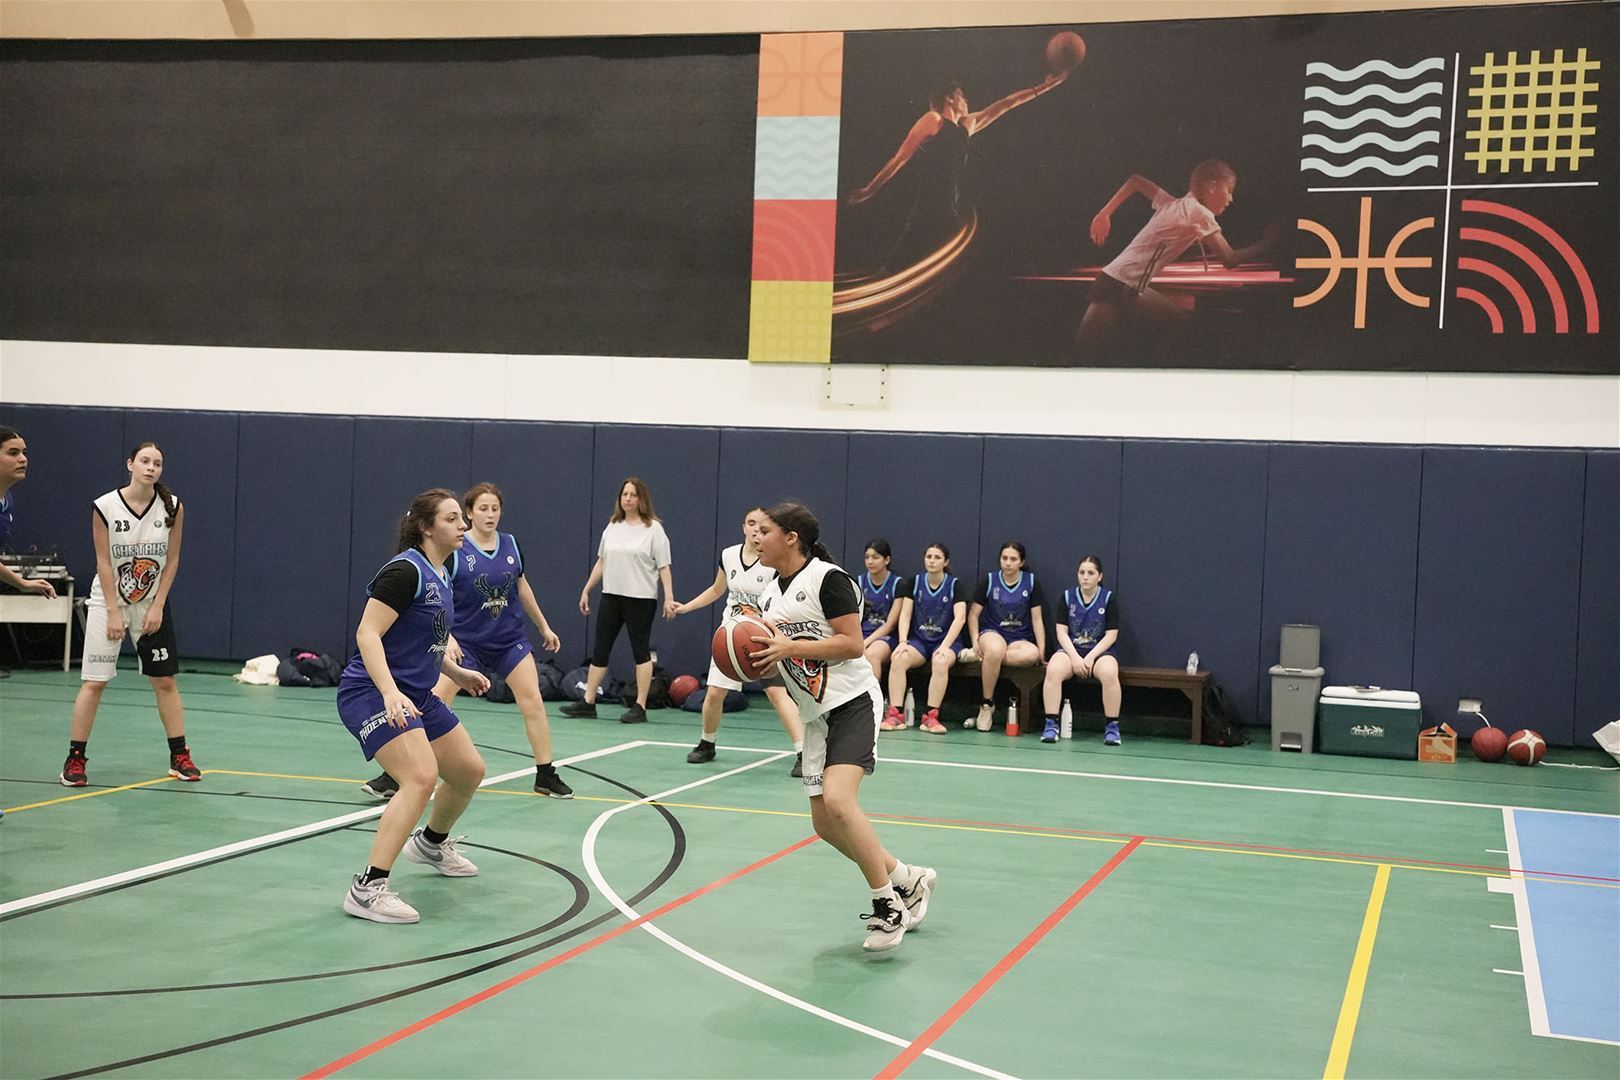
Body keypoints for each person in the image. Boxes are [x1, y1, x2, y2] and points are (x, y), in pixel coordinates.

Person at [749, 503, 937, 952]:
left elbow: (853, 644)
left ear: (791, 538)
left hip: (853, 702)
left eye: (765, 530)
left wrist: (790, 647)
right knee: (823, 823)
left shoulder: (828, 579)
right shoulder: (768, 594)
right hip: (816, 714)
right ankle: (907, 878)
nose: (756, 537)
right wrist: (760, 660)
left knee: (838, 800)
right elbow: (783, 655)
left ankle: (887, 906)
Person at [361, 482, 573, 802]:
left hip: (508, 640)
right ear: (470, 513)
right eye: (483, 508)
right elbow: (433, 598)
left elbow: (522, 588)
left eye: (495, 508)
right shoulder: (452, 551)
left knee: (532, 698)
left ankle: (545, 774)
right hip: (467, 642)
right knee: (434, 698)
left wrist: (543, 626)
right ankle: (397, 771)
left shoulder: (511, 546)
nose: (490, 514)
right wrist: (447, 638)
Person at [338, 489, 492, 924]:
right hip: (370, 691)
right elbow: (368, 634)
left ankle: (431, 844)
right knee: (421, 777)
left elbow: (424, 638)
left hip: (417, 693)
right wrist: (389, 692)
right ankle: (367, 888)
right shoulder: (404, 571)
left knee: (468, 771)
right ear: (426, 527)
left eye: (462, 518)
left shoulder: (441, 572)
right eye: (452, 519)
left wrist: (456, 673)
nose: (463, 526)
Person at [63, 442, 199, 788]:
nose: (151, 467)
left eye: (157, 463)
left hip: (150, 604)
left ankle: (179, 755)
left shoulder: (173, 506)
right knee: (95, 682)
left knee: (165, 681)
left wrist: (158, 605)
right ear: (130, 464)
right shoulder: (105, 506)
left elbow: (172, 560)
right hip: (108, 600)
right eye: (145, 461)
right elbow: (103, 561)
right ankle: (74, 759)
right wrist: (112, 610)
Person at [847, 73, 1068, 269]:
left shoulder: (967, 126)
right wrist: (869, 190)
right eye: (962, 96)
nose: (966, 100)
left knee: (951, 268)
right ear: (949, 98)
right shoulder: (933, 120)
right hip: (926, 210)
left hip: (947, 210)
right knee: (897, 268)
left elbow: (1006, 104)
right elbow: (899, 159)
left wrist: (1046, 86)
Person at [1079, 159, 1276, 343]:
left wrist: (1103, 214)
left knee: (1178, 324)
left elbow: (1136, 181)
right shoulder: (1199, 213)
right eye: (1229, 190)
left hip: (1120, 283)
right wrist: (1267, 244)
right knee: (1086, 348)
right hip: (1120, 285)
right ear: (1212, 186)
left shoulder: (1172, 204)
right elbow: (1229, 259)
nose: (1231, 199)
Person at [672, 506, 804, 776]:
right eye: (751, 523)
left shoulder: (773, 562)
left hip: (764, 637)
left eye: (762, 526)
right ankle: (707, 743)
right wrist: (686, 607)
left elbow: (786, 601)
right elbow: (716, 590)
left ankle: (804, 753)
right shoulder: (729, 555)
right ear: (743, 527)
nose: (755, 530)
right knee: (714, 693)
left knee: (777, 694)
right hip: (731, 637)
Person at [561, 477, 677, 724]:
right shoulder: (613, 526)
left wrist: (669, 597)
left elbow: (664, 566)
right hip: (612, 596)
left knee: (640, 651)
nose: (628, 499)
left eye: (633, 494)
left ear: (641, 499)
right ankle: (588, 702)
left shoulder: (654, 529)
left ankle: (640, 706)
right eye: (625, 494)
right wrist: (587, 589)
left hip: (641, 599)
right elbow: (602, 561)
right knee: (600, 650)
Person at [882, 543, 966, 735]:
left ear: (946, 562)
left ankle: (931, 717)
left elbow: (960, 618)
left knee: (940, 661)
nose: (932, 561)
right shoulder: (915, 582)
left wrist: (945, 646)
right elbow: (905, 615)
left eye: (937, 557)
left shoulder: (955, 585)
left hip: (947, 641)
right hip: (920, 641)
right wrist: (902, 641)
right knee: (898, 658)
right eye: (929, 556)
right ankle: (896, 714)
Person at [965, 541, 1047, 731]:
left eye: (1013, 559)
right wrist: (975, 641)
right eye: (1004, 558)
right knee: (994, 649)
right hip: (993, 633)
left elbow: (1037, 619)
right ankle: (987, 704)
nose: (1008, 563)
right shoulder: (990, 580)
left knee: (1031, 655)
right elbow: (973, 615)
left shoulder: (1031, 582)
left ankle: (986, 658)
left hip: (1019, 638)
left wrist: (1042, 650)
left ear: (1021, 562)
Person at [1041, 555, 1122, 745]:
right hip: (1071, 651)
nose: (1085, 577)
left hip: (1099, 652)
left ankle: (1112, 727)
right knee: (1053, 669)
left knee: (1110, 673)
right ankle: (1051, 724)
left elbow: (1111, 636)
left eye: (1091, 573)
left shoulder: (1108, 599)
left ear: (1099, 576)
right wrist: (1076, 657)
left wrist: (1090, 657)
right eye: (1082, 572)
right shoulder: (1067, 597)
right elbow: (1061, 633)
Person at [0, 427, 58, 684]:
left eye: (24, 452)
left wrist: (22, 583)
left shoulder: (7, 501)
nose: (23, 459)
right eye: (13, 453)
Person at [856, 538, 901, 694]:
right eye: (867, 557)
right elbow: (854, 616)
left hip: (886, 636)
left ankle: (874, 700)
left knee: (872, 654)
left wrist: (865, 642)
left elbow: (890, 624)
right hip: (862, 633)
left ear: (886, 560)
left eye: (875, 557)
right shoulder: (859, 582)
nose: (870, 561)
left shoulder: (897, 584)